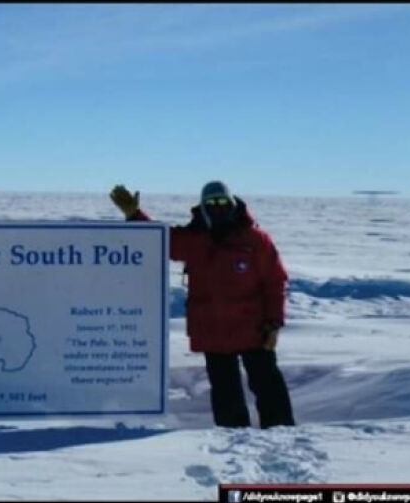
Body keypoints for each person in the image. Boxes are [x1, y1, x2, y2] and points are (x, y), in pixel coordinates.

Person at [110, 180, 295, 428]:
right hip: (213, 330)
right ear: (203, 206)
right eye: (211, 203)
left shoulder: (255, 240)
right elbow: (160, 240)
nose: (217, 208)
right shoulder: (194, 239)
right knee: (224, 389)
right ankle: (234, 436)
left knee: (267, 383)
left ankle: (281, 430)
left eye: (222, 202)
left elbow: (275, 282)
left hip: (255, 329)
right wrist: (134, 215)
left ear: (232, 204)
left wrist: (273, 323)